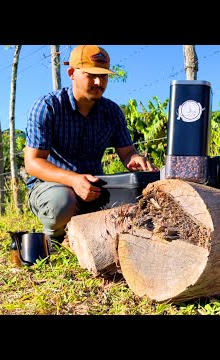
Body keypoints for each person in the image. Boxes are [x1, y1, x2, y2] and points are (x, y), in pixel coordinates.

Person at [24, 45, 158, 245]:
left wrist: (135, 159)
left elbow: (128, 151)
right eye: (91, 75)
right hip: (53, 186)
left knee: (136, 203)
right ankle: (55, 240)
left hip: (96, 188)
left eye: (103, 76)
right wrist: (74, 180)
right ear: (72, 73)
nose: (98, 82)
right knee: (62, 203)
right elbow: (33, 163)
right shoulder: (48, 107)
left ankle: (92, 236)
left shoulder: (111, 112)